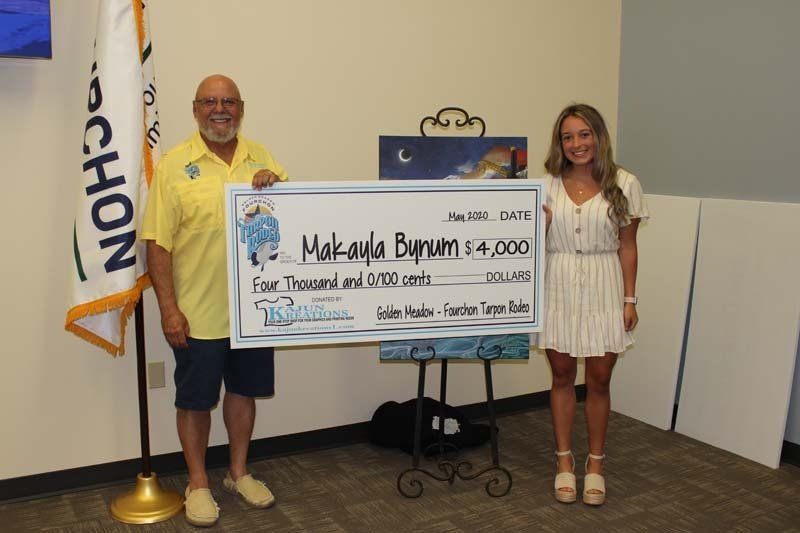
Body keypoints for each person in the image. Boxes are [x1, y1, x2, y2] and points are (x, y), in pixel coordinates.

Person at [141, 74, 287, 527]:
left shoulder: (261, 157)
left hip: (255, 311)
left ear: (240, 108)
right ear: (195, 108)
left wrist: (276, 185)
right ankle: (199, 482)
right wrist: (168, 308)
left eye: (228, 101)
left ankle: (238, 473)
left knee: (244, 392)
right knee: (196, 400)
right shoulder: (173, 165)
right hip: (197, 312)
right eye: (209, 101)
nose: (219, 109)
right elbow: (157, 245)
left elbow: (292, 224)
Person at [537, 104, 648, 506]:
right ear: (559, 142)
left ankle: (595, 465)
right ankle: (564, 461)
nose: (576, 143)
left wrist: (629, 299)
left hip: (605, 284)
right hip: (558, 284)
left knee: (600, 378)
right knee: (562, 374)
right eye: (568, 137)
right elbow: (527, 245)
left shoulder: (624, 183)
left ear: (598, 136)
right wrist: (540, 227)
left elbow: (629, 245)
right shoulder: (545, 185)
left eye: (584, 134)